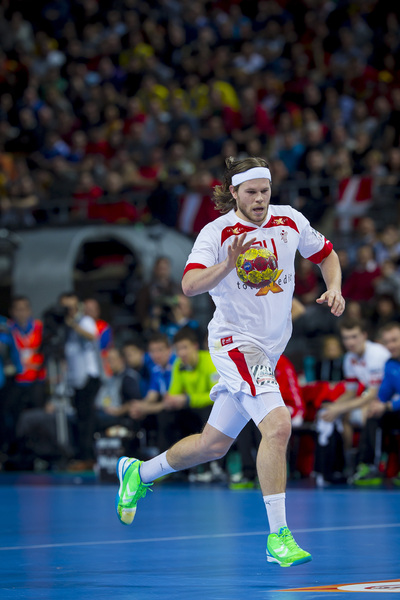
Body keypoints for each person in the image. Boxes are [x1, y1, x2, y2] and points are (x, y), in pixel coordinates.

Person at [115, 155, 345, 567]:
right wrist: (226, 264)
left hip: (269, 350)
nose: (259, 199)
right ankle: (278, 537)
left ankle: (139, 473)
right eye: (251, 192)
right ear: (234, 193)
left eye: (265, 191)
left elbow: (327, 254)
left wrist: (336, 288)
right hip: (235, 343)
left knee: (213, 445)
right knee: (278, 426)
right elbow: (189, 285)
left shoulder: (290, 220)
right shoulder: (217, 232)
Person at [316, 319, 390, 483]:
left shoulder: (376, 354)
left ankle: (371, 465)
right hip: (373, 397)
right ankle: (349, 464)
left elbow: (372, 394)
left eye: (354, 337)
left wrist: (339, 408)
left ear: (364, 335)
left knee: (366, 413)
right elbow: (350, 392)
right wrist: (334, 407)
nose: (350, 342)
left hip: (388, 399)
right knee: (343, 417)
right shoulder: (349, 358)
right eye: (346, 338)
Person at [351, 322, 400, 485]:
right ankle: (370, 466)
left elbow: (389, 403)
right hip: (395, 409)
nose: (390, 345)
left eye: (394, 340)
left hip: (396, 407)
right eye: (387, 342)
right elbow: (384, 392)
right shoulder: (390, 364)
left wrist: (387, 406)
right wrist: (376, 404)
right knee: (373, 415)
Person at [59, 292, 102, 470]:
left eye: (71, 306)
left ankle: (88, 457)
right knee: (79, 418)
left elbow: (92, 336)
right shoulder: (63, 327)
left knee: (86, 419)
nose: (69, 310)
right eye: (65, 307)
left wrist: (73, 325)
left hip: (89, 377)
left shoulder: (85, 321)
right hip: (74, 379)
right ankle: (81, 455)